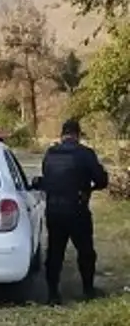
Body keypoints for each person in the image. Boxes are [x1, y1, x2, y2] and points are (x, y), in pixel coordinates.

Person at [40, 119, 109, 305]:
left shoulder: (50, 153)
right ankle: (88, 290)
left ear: (62, 135)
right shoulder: (85, 154)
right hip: (77, 210)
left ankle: (53, 294)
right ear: (78, 134)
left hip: (53, 210)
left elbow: (46, 177)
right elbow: (102, 180)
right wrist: (90, 188)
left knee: (55, 252)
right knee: (85, 251)